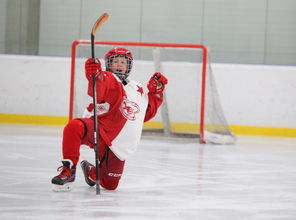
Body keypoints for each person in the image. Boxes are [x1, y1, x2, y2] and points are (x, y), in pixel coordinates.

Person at [51, 47, 168, 191]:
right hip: (100, 131)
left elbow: (143, 115)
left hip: (119, 145)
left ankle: (91, 172)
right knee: (74, 126)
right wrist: (95, 75)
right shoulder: (108, 78)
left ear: (129, 66)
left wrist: (155, 94)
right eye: (115, 61)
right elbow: (99, 90)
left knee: (110, 184)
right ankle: (68, 170)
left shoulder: (136, 88)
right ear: (108, 64)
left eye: (123, 62)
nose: (119, 65)